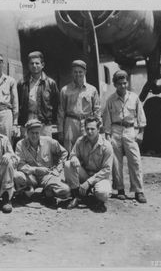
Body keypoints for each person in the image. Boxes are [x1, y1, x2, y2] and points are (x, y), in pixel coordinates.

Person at [103, 70, 147, 203]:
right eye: (120, 84)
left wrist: (140, 134)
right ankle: (119, 189)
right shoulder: (110, 100)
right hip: (116, 130)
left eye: (125, 83)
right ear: (115, 85)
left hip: (130, 130)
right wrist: (108, 136)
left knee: (135, 161)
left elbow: (141, 118)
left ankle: (138, 191)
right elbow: (107, 120)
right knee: (116, 162)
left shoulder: (134, 97)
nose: (123, 86)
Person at [15, 119, 71, 207]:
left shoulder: (48, 141)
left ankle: (46, 193)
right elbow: (19, 165)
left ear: (40, 133)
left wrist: (58, 169)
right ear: (27, 133)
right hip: (30, 176)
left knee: (65, 190)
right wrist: (35, 170)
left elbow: (64, 153)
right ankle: (26, 193)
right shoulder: (20, 144)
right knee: (17, 176)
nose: (34, 136)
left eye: (37, 133)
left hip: (46, 176)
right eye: (32, 133)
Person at [64, 115, 113, 213]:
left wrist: (89, 182)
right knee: (68, 164)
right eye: (87, 129)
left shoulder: (106, 146)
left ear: (98, 129)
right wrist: (74, 158)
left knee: (103, 193)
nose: (89, 132)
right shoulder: (80, 141)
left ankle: (97, 201)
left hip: (99, 177)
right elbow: (72, 154)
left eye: (92, 129)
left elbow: (107, 170)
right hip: (85, 174)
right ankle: (77, 196)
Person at [57, 60, 101, 152]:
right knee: (69, 149)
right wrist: (60, 129)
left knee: (87, 148)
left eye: (80, 72)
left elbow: (97, 109)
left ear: (85, 72)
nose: (78, 74)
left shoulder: (92, 90)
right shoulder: (65, 90)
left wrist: (97, 126)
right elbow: (61, 111)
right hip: (70, 122)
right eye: (75, 72)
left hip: (86, 122)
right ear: (72, 73)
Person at [17, 51, 59, 137]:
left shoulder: (50, 83)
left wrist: (49, 120)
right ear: (28, 65)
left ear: (42, 65)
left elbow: (56, 104)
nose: (34, 66)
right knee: (26, 147)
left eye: (37, 63)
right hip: (27, 122)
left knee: (45, 148)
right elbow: (18, 103)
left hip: (44, 124)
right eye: (31, 63)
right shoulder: (22, 83)